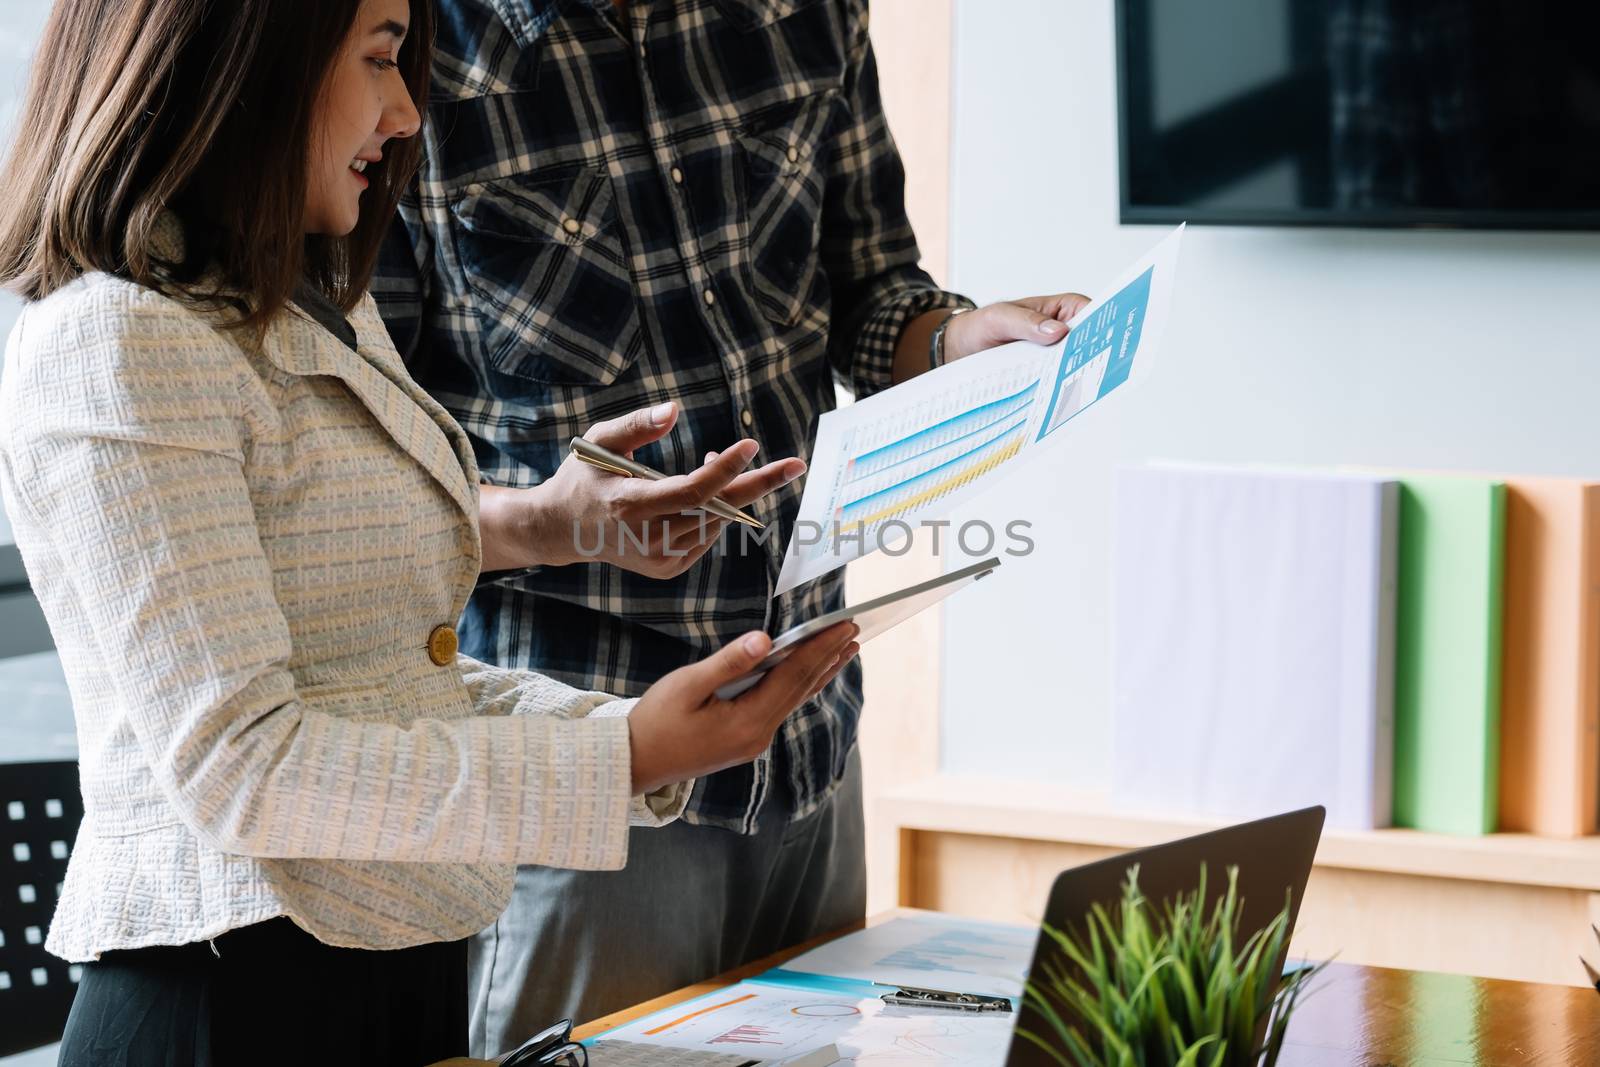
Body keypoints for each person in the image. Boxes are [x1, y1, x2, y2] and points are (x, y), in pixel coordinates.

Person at [0, 0, 856, 1062]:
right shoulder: (115, 341)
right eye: (379, 58)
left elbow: (394, 681)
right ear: (244, 58)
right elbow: (243, 764)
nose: (408, 113)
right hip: (226, 1006)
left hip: (391, 976)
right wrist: (620, 752)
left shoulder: (306, 302)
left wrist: (630, 738)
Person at [374, 0, 1089, 1053]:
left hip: (805, 744)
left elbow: (874, 293)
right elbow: (357, 484)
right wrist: (552, 520)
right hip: (585, 785)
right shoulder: (401, 50)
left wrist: (958, 337)